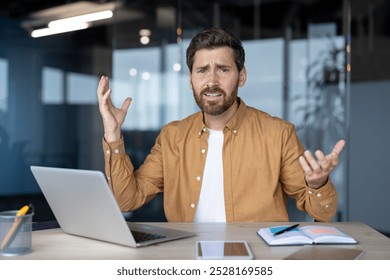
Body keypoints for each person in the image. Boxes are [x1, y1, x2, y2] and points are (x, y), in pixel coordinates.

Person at [97, 28, 345, 223]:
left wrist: (317, 184)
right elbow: (126, 200)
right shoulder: (172, 136)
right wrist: (112, 133)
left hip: (256, 263)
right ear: (191, 79)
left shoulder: (277, 134)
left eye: (223, 70)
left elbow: (323, 213)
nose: (211, 81)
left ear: (242, 75)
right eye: (202, 71)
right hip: (188, 262)